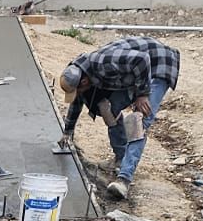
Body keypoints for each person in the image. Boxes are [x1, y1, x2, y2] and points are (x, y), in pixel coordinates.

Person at [56, 37, 180, 200]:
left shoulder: (103, 63)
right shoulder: (81, 71)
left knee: (139, 120)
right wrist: (68, 132)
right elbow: (77, 101)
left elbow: (143, 59)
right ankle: (121, 158)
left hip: (158, 64)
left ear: (84, 81)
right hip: (137, 72)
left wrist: (142, 94)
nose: (78, 94)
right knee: (107, 109)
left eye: (78, 90)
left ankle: (124, 179)